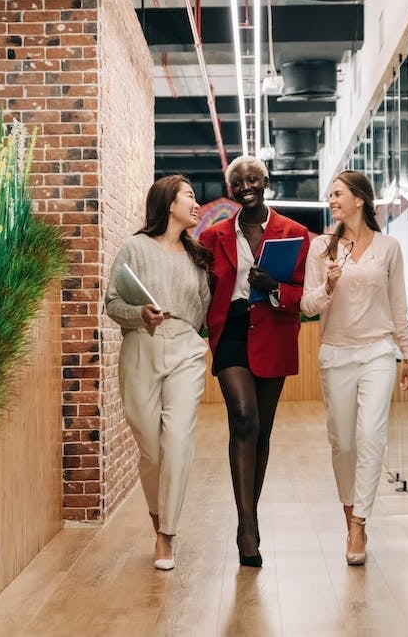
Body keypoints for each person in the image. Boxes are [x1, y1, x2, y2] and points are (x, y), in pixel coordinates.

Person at [200, 156, 310, 568]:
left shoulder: (294, 234)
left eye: (253, 179)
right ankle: (246, 527)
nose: (246, 186)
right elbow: (200, 281)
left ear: (266, 182)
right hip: (231, 328)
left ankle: (252, 511)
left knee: (261, 429)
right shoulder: (213, 236)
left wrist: (275, 286)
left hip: (275, 330)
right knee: (243, 418)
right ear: (230, 190)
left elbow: (304, 294)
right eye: (238, 182)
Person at [301, 170, 408, 566]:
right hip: (336, 354)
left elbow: (398, 304)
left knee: (370, 434)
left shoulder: (389, 247)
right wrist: (328, 287)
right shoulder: (321, 248)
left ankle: (360, 523)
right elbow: (306, 306)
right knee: (344, 443)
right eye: (330, 195)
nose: (331, 200)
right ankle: (349, 511)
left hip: (378, 353)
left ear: (359, 200)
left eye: (337, 194)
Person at [103, 175, 212, 571]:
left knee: (178, 439)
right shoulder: (134, 247)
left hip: (185, 347)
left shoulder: (197, 257)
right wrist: (139, 315)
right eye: (191, 196)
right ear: (169, 203)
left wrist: (184, 330)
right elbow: (112, 302)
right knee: (151, 447)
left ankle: (167, 534)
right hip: (141, 347)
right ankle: (157, 518)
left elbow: (202, 308)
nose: (197, 204)